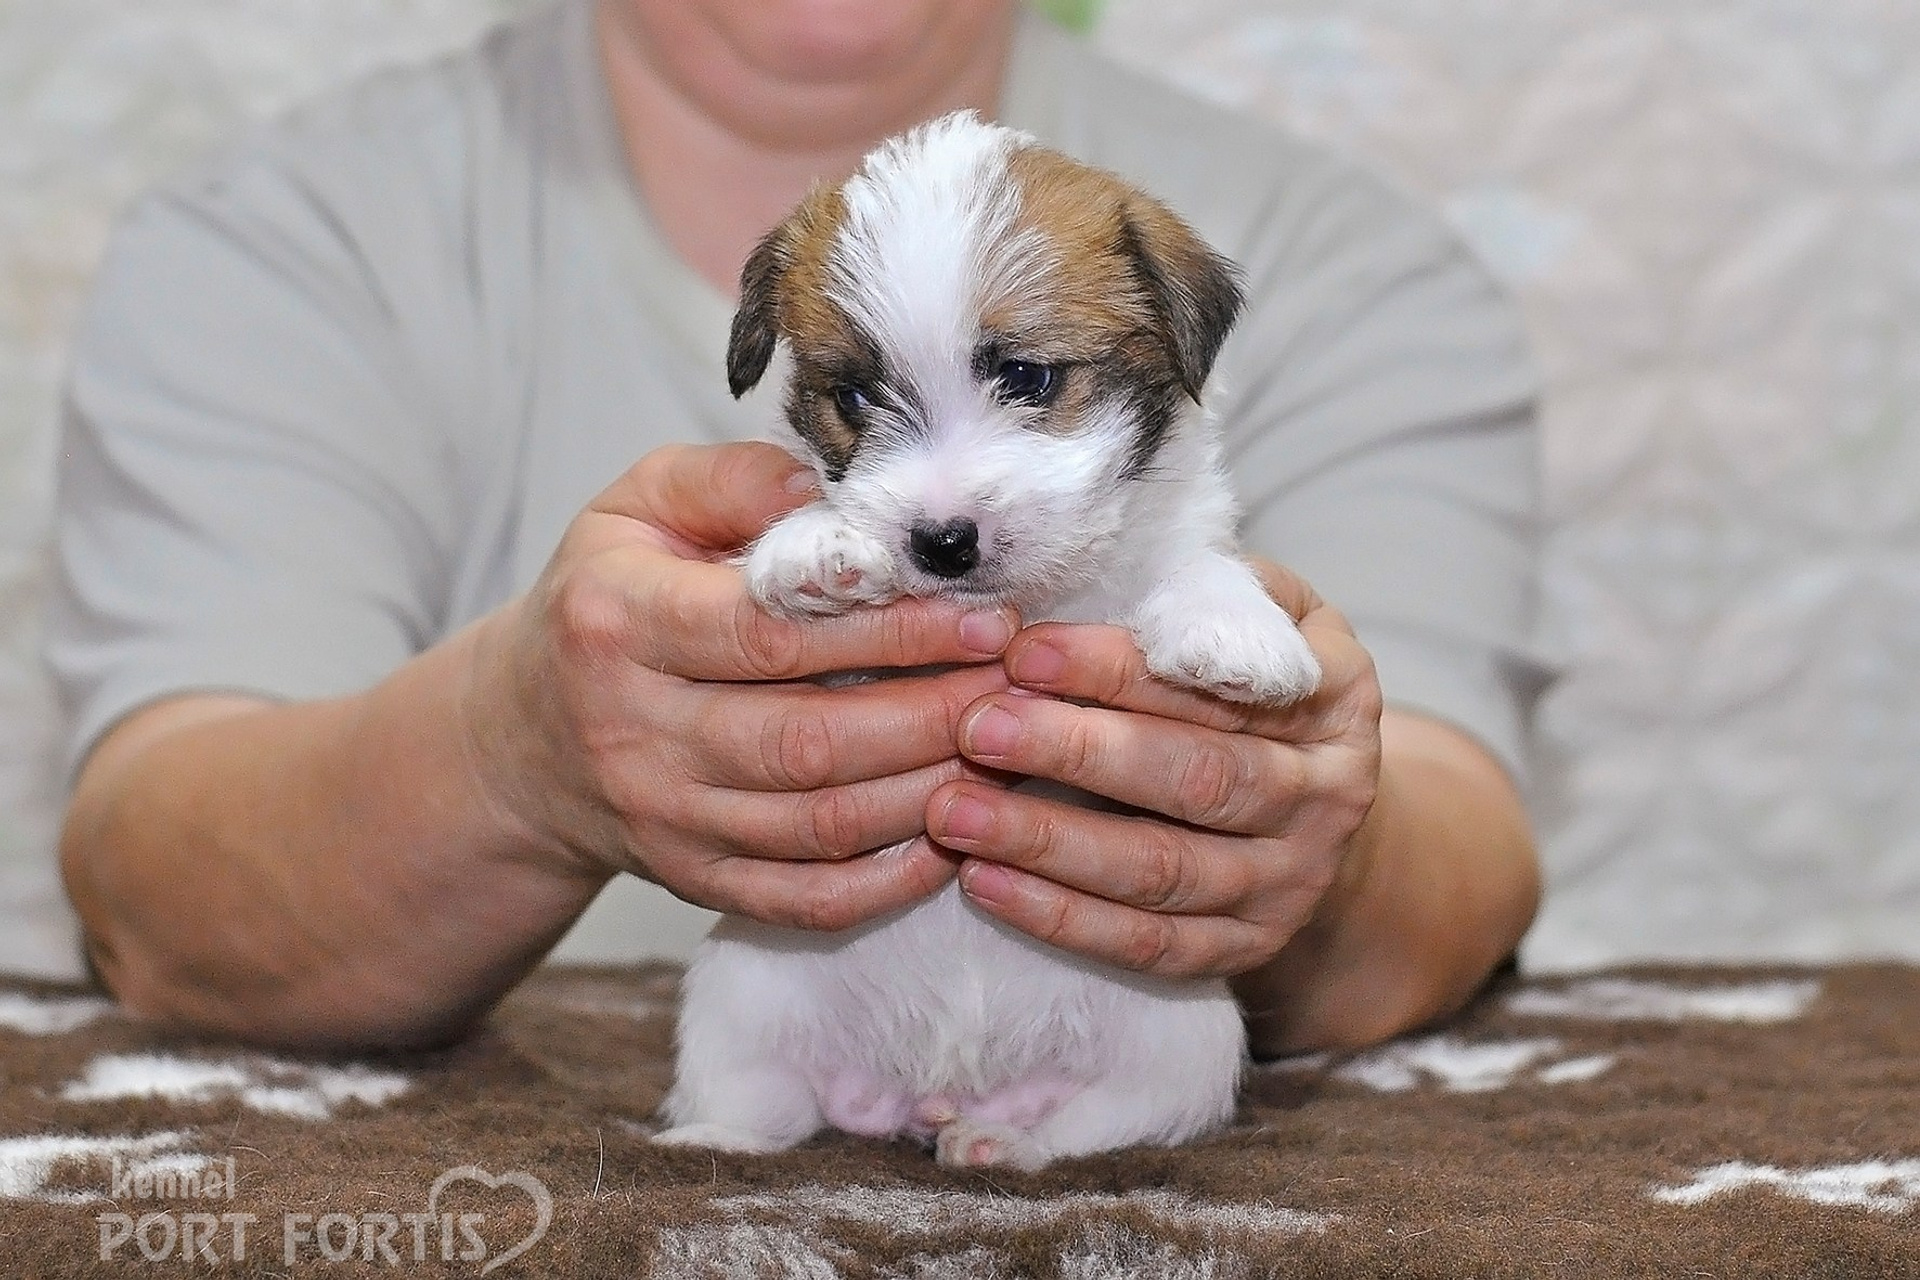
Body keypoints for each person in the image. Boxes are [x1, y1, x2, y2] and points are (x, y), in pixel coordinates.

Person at [47, 0, 1546, 1056]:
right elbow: (151, 900)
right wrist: (511, 754)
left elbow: (1463, 851)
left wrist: (1298, 839)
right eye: (860, 403)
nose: (944, 495)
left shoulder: (1346, 262)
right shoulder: (275, 237)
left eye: (1032, 383)